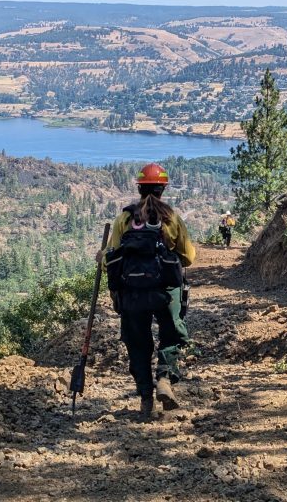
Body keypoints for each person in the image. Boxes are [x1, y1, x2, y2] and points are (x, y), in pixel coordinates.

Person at [98, 163, 196, 420]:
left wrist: (102, 257)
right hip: (165, 291)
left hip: (131, 295)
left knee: (137, 342)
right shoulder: (171, 218)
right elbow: (188, 257)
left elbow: (111, 257)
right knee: (171, 333)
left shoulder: (125, 219)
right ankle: (164, 377)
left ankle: (145, 397)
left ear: (140, 188)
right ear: (163, 189)